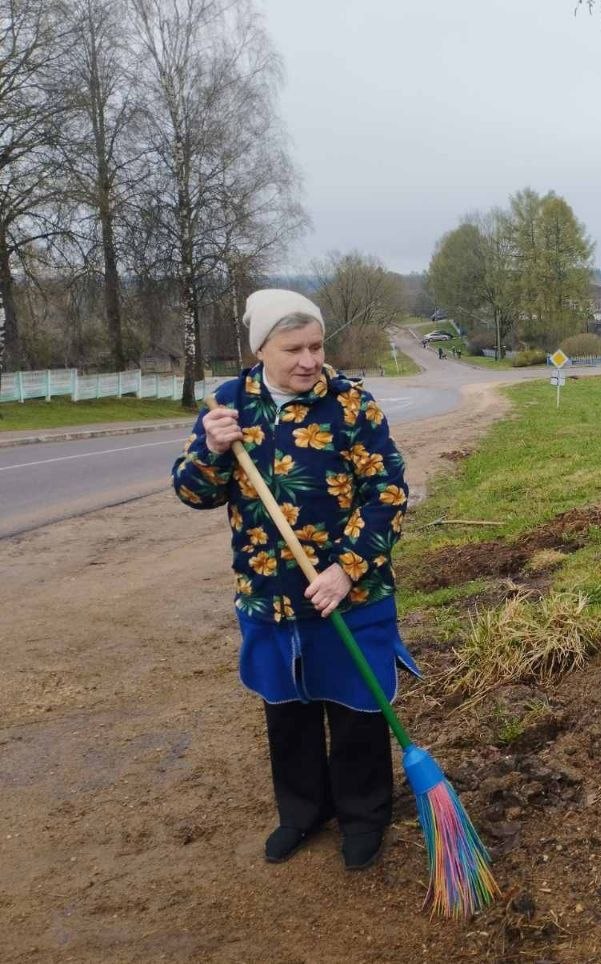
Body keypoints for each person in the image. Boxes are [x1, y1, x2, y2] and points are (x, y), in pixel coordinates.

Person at [172, 289, 419, 870]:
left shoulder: (352, 405)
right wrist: (211, 449)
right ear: (261, 349)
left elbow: (388, 494)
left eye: (316, 345)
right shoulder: (230, 406)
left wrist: (345, 570)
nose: (310, 360)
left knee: (359, 707)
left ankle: (363, 817)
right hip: (268, 595)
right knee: (287, 710)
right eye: (294, 349)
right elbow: (192, 493)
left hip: (350, 594)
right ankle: (303, 813)